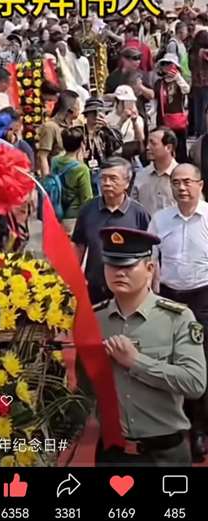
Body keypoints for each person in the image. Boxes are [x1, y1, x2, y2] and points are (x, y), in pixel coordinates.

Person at [94, 227, 206, 466]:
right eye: (112, 264)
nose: (119, 272)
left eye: (128, 265)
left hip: (164, 454)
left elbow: (195, 383)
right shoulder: (95, 319)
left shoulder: (177, 318)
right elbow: (84, 389)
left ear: (150, 268)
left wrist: (136, 362)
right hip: (111, 452)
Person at [149, 163, 208, 461]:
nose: (182, 188)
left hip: (202, 296)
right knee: (170, 359)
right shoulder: (160, 219)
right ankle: (174, 424)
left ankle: (200, 428)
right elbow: (150, 261)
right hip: (169, 298)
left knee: (200, 360)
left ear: (200, 185)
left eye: (187, 182)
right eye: (176, 182)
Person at [72, 157, 150, 304]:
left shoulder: (139, 214)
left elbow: (149, 254)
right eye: (103, 178)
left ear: (127, 183)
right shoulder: (88, 209)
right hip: (95, 287)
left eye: (113, 179)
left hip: (128, 289)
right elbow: (79, 245)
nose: (107, 183)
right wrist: (74, 276)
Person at [50, 127, 93, 234]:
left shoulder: (55, 161)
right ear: (81, 144)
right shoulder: (82, 169)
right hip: (74, 215)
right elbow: (87, 198)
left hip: (56, 210)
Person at [132, 127, 178, 215]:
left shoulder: (184, 176)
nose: (147, 147)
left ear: (168, 147)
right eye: (147, 143)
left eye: (153, 143)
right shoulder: (141, 175)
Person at [154, 55, 189, 162]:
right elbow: (155, 101)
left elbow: (186, 90)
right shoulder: (159, 83)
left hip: (178, 120)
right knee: (165, 146)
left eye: (170, 64)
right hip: (163, 119)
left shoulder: (179, 81)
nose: (167, 67)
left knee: (180, 148)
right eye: (164, 64)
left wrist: (178, 78)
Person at [38, 90, 82, 177]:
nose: (79, 109)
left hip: (76, 175)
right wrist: (47, 180)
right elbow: (42, 156)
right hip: (58, 176)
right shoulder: (50, 127)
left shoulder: (77, 125)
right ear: (70, 109)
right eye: (78, 105)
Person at [106, 85, 145, 162]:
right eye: (125, 101)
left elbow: (141, 139)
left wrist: (134, 122)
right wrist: (121, 121)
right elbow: (110, 139)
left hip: (132, 156)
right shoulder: (108, 118)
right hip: (115, 156)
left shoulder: (138, 118)